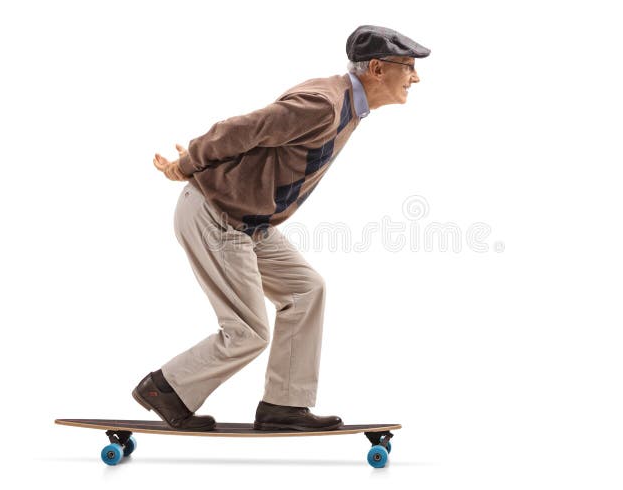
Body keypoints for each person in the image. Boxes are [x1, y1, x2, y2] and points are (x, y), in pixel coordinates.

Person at [133, 25, 430, 432]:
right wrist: (188, 165)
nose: (416, 77)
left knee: (306, 290)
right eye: (409, 67)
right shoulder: (323, 103)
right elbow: (241, 130)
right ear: (377, 68)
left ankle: (284, 405)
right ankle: (166, 389)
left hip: (249, 222)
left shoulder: (347, 105)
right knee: (248, 331)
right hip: (216, 215)